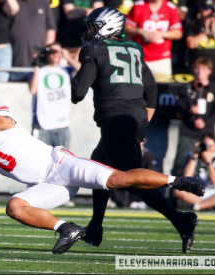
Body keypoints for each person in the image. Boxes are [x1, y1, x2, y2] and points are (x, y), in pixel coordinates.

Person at [0, 93, 204, 255]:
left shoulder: (1, 121)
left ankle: (178, 181)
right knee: (15, 207)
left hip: (61, 165)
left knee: (118, 179)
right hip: (46, 184)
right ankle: (66, 228)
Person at [71, 7, 200, 254]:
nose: (89, 32)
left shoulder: (94, 50)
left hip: (116, 119)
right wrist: (143, 122)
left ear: (107, 26)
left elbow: (78, 94)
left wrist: (81, 69)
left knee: (130, 180)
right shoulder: (134, 48)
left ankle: (180, 217)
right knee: (99, 167)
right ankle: (95, 226)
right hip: (136, 117)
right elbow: (151, 90)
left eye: (93, 26)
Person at [171, 57, 215, 177]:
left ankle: (206, 192)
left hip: (207, 133)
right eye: (198, 69)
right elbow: (178, 106)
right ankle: (177, 193)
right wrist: (189, 109)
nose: (200, 72)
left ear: (209, 71)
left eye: (203, 69)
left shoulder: (214, 90)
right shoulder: (186, 88)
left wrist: (206, 122)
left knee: (206, 165)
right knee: (182, 164)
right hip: (188, 132)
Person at [29, 42, 80, 148]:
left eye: (58, 52)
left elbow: (81, 70)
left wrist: (67, 57)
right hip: (43, 123)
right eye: (52, 52)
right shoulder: (39, 72)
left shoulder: (66, 70)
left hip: (62, 123)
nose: (56, 55)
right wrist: (37, 66)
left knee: (64, 159)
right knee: (40, 159)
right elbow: (33, 90)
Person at [125, 0, 183, 77]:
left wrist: (163, 34)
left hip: (161, 58)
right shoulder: (139, 5)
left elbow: (178, 33)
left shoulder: (170, 7)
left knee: (162, 87)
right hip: (140, 57)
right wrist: (140, 31)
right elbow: (126, 27)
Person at [174, 131, 215, 211]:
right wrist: (194, 155)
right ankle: (208, 205)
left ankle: (198, 206)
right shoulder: (193, 156)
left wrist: (208, 162)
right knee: (177, 191)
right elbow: (187, 177)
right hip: (196, 192)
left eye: (210, 146)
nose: (207, 148)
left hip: (213, 193)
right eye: (205, 145)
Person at [9, 0, 56, 81]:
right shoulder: (13, 3)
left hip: (39, 62)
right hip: (16, 58)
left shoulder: (43, 3)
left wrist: (46, 51)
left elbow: (51, 28)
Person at [185, 1, 215, 81]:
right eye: (206, 9)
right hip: (196, 69)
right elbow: (191, 44)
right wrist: (205, 32)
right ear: (201, 10)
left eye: (211, 10)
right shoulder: (193, 24)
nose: (209, 12)